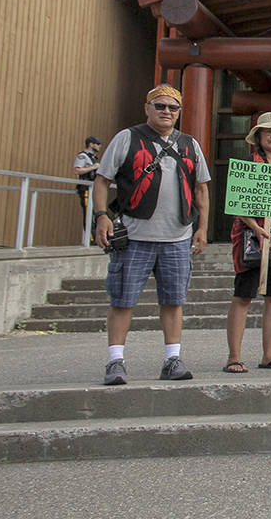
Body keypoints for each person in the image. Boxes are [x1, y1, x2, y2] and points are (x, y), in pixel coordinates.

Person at [92, 85, 211, 385]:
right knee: (122, 300)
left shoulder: (190, 144)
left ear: (179, 112)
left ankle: (173, 359)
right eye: (159, 106)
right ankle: (115, 362)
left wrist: (203, 228)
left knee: (173, 301)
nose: (166, 112)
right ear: (147, 108)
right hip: (134, 235)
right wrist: (100, 216)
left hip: (178, 236)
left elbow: (201, 189)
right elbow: (102, 180)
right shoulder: (127, 138)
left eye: (172, 108)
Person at [223, 112, 271, 374]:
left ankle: (268, 354)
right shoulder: (247, 164)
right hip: (251, 237)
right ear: (258, 137)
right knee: (243, 296)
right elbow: (236, 202)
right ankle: (234, 356)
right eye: (268, 132)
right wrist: (255, 226)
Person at [73, 135, 101, 240]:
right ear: (91, 144)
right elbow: (77, 170)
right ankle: (90, 239)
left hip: (93, 188)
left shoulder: (93, 157)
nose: (99, 146)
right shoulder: (83, 156)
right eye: (97, 144)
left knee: (94, 213)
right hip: (85, 188)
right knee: (88, 213)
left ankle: (94, 237)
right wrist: (93, 167)